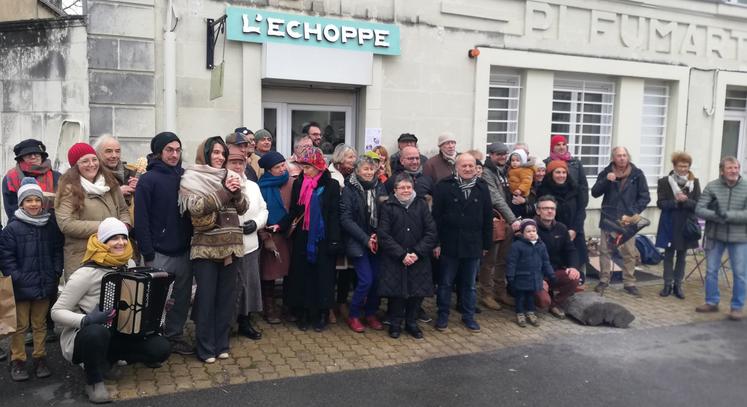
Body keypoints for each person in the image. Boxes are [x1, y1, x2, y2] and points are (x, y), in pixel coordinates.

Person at [51, 218, 170, 404]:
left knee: (160, 349)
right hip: (85, 336)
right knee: (96, 332)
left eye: (123, 237)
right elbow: (56, 312)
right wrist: (87, 319)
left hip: (119, 332)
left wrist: (158, 304)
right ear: (102, 242)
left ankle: (108, 359)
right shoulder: (85, 274)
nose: (121, 242)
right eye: (113, 238)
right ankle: (94, 381)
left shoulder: (129, 264)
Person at [178, 136, 247, 363]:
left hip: (231, 247)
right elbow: (196, 208)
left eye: (222, 154)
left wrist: (236, 192)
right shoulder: (191, 176)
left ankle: (222, 344)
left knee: (226, 300)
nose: (219, 158)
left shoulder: (230, 176)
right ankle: (205, 348)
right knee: (206, 300)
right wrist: (226, 191)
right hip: (206, 249)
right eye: (215, 153)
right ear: (205, 154)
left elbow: (243, 207)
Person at [133, 132, 194, 355]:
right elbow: (141, 219)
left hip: (184, 249)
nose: (174, 154)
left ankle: (174, 335)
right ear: (159, 152)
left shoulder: (185, 177)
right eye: (169, 150)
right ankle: (152, 338)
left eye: (178, 150)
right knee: (156, 299)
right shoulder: (148, 180)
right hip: (158, 252)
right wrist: (147, 251)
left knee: (181, 298)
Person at [0, 178, 63, 381]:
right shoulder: (12, 228)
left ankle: (40, 357)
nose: (34, 204)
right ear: (21, 204)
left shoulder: (49, 225)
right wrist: (16, 277)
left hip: (44, 284)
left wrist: (55, 271)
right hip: (20, 287)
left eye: (37, 200)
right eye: (29, 201)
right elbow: (6, 257)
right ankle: (18, 359)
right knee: (20, 325)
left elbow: (56, 251)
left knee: (40, 323)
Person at [283, 147, 341, 332]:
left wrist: (334, 241)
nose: (304, 170)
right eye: (303, 167)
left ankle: (321, 314)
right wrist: (282, 224)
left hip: (322, 238)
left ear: (318, 166)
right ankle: (304, 313)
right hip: (303, 236)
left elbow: (334, 215)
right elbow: (294, 210)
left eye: (308, 167)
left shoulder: (330, 185)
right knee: (303, 276)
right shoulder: (299, 183)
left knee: (322, 277)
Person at [432, 153, 492, 333]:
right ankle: (443, 315)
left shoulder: (482, 187)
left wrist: (486, 245)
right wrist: (436, 243)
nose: (467, 169)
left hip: (473, 244)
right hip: (449, 243)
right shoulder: (443, 186)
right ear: (456, 167)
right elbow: (436, 217)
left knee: (470, 285)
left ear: (476, 168)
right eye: (464, 166)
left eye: (471, 166)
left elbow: (487, 217)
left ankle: (468, 316)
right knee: (445, 283)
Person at [56, 142, 131, 280]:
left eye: (94, 159)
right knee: (86, 301)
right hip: (83, 258)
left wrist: (123, 227)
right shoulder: (68, 188)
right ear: (75, 166)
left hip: (113, 256)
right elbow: (66, 224)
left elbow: (123, 210)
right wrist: (106, 227)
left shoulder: (110, 182)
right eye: (85, 161)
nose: (91, 164)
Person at [377, 173, 438, 339]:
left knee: (416, 293)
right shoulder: (388, 206)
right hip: (396, 259)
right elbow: (383, 235)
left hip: (418, 258)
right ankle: (395, 324)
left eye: (408, 187)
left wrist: (417, 253)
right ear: (395, 190)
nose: (405, 190)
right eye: (402, 187)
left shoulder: (421, 205)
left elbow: (431, 232)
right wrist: (402, 254)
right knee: (397, 294)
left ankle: (411, 323)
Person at [591, 146, 650, 296]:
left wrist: (633, 212)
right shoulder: (606, 172)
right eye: (619, 156)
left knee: (629, 252)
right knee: (605, 250)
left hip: (628, 220)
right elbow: (595, 193)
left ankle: (629, 282)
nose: (622, 158)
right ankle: (604, 280)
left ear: (628, 157)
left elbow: (645, 196)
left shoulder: (637, 174)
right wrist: (606, 181)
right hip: (609, 217)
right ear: (613, 158)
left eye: (624, 155)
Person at [694, 156, 747, 320]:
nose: (733, 171)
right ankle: (711, 302)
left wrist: (729, 216)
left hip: (739, 237)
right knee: (711, 271)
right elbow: (699, 209)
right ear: (722, 171)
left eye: (736, 167)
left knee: (739, 273)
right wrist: (717, 216)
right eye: (730, 168)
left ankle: (737, 307)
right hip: (715, 235)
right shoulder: (712, 186)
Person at [340, 154, 387, 333]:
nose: (369, 172)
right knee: (365, 280)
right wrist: (366, 239)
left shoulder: (380, 186)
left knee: (376, 280)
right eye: (365, 169)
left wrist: (377, 236)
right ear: (357, 171)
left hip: (377, 240)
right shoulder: (349, 189)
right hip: (357, 240)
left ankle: (370, 313)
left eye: (371, 168)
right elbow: (346, 219)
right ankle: (353, 315)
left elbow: (387, 214)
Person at [226, 147, 268, 340]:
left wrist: (257, 224)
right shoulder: (219, 185)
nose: (237, 166)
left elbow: (263, 210)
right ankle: (226, 324)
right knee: (230, 287)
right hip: (226, 247)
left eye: (240, 162)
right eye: (233, 162)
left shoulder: (253, 186)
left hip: (250, 244)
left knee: (249, 285)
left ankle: (245, 321)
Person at [655, 152, 701, 299]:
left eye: (686, 166)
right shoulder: (664, 182)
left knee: (682, 256)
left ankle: (678, 285)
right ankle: (667, 284)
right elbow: (660, 203)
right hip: (669, 222)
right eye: (680, 166)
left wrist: (685, 201)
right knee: (668, 255)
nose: (683, 169)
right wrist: (676, 202)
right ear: (674, 166)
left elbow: (698, 205)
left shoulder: (695, 182)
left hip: (686, 224)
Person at [544, 135, 590, 281]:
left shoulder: (576, 163)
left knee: (577, 251)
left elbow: (583, 187)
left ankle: (578, 279)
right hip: (556, 222)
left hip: (574, 217)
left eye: (564, 144)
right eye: (558, 144)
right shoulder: (546, 164)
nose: (562, 147)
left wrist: (574, 228)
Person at [257, 152, 296, 324]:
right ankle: (269, 308)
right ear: (268, 170)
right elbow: (258, 212)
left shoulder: (292, 182)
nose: (282, 169)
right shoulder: (261, 186)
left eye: (283, 165)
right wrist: (265, 236)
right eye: (277, 167)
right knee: (269, 274)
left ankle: (289, 306)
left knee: (291, 273)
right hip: (271, 234)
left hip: (290, 233)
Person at [481, 141, 520, 307]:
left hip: (508, 222)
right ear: (491, 155)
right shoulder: (486, 172)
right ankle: (486, 294)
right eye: (499, 154)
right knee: (490, 259)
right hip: (495, 221)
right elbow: (496, 198)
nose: (503, 156)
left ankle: (500, 291)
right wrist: (513, 220)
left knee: (503, 259)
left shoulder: (506, 171)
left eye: (505, 154)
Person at [533, 196, 582, 319]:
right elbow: (524, 260)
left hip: (554, 272)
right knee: (543, 302)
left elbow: (571, 250)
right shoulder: (530, 229)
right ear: (538, 211)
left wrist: (573, 267)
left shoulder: (561, 228)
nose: (550, 211)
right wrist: (538, 278)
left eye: (552, 209)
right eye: (546, 208)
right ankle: (532, 299)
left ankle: (556, 304)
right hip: (534, 274)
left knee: (574, 278)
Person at [506, 219, 557, 327]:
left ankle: (531, 312)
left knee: (530, 296)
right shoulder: (517, 246)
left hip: (535, 277)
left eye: (534, 231)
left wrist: (551, 274)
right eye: (528, 231)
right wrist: (510, 276)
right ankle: (520, 313)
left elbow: (545, 261)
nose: (532, 233)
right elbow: (512, 262)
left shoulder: (541, 245)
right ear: (522, 233)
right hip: (521, 277)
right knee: (520, 297)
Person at [328, 143, 358, 323]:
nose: (353, 161)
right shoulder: (331, 176)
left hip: (350, 229)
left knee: (347, 270)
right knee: (333, 270)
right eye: (349, 157)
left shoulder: (352, 177)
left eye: (354, 158)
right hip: (334, 230)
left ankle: (342, 302)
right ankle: (330, 304)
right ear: (339, 158)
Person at [536, 160, 587, 255]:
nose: (561, 175)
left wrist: (574, 229)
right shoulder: (543, 190)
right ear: (551, 174)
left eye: (564, 172)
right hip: (553, 234)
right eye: (558, 172)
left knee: (576, 262)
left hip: (575, 232)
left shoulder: (575, 189)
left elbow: (581, 211)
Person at [2, 139, 61, 219]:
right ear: (21, 158)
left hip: (51, 224)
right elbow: (11, 209)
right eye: (28, 154)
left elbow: (63, 205)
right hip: (20, 226)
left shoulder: (56, 177)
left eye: (37, 154)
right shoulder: (10, 178)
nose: (33, 157)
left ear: (42, 156)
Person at [93, 135, 138, 204]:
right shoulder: (92, 175)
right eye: (109, 151)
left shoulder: (132, 173)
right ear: (98, 153)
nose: (114, 155)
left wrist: (141, 186)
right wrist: (117, 193)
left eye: (117, 151)